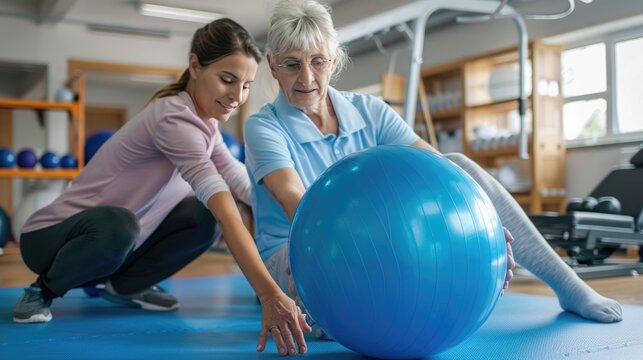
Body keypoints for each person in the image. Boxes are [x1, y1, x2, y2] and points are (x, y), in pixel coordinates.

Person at [243, 0, 623, 338]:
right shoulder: (264, 125)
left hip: (378, 235)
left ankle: (568, 284)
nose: (306, 78)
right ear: (273, 67)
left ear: (335, 61)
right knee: (337, 316)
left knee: (457, 164)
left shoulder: (367, 110)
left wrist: (488, 230)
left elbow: (437, 174)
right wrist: (337, 254)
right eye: (292, 65)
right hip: (300, 247)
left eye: (318, 62)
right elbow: (296, 201)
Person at [13, 18, 310, 356]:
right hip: (48, 240)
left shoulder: (207, 126)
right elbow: (224, 203)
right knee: (124, 224)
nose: (237, 96)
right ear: (195, 66)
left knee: (201, 219)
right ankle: (42, 289)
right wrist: (271, 293)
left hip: (117, 247)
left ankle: (125, 286)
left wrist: (303, 213)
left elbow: (243, 184)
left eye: (246, 85)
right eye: (227, 80)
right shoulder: (172, 116)